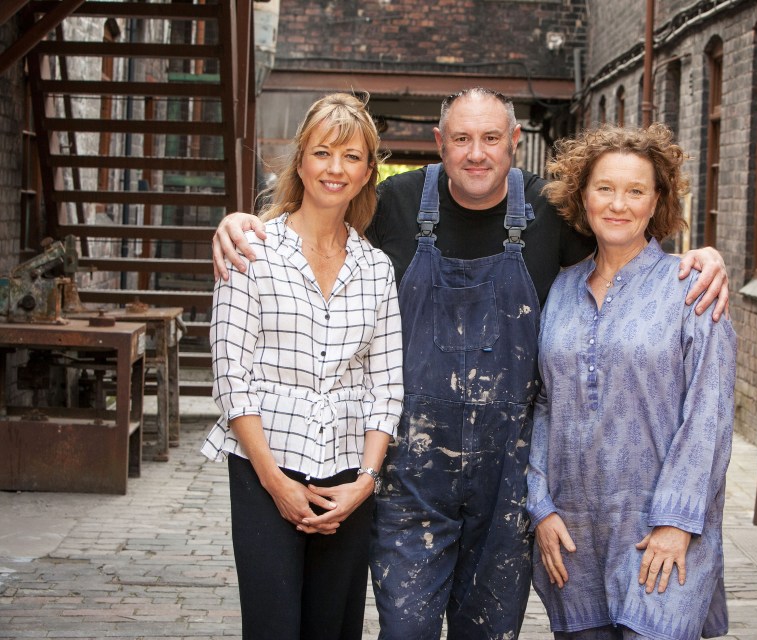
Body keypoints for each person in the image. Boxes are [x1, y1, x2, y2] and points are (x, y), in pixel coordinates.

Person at [210, 88, 730, 640]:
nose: (475, 152)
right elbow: (322, 212)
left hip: (505, 482)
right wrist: (244, 222)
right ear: (440, 144)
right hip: (412, 476)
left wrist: (701, 254)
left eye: (489, 138)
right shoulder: (395, 203)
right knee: (405, 629)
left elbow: (624, 235)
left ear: (514, 142)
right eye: (460, 139)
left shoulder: (551, 212)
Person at [201, 93, 403, 640]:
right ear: (301, 162)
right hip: (264, 469)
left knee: (333, 629)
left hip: (345, 477)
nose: (335, 169)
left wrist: (364, 482)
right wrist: (276, 481)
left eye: (352, 157)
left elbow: (387, 387)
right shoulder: (252, 251)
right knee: (272, 627)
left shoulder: (376, 269)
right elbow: (231, 378)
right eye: (322, 153)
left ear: (368, 172)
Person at [527, 123, 736, 640]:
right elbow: (544, 405)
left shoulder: (693, 288)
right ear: (583, 196)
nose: (618, 204)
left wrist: (677, 524)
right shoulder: (560, 290)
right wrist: (540, 506)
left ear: (656, 201)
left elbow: (708, 414)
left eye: (636, 190)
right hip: (574, 535)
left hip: (662, 537)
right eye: (605, 188)